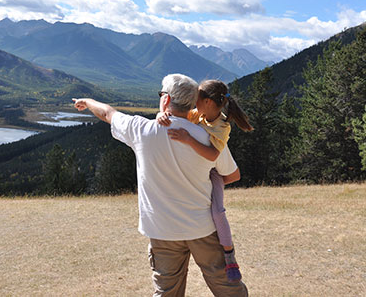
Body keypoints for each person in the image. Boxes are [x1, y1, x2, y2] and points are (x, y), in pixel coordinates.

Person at [73, 74, 248, 297]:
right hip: (202, 227)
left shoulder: (141, 130)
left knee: (167, 291)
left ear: (165, 99)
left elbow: (107, 113)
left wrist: (87, 101)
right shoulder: (208, 137)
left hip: (162, 229)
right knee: (228, 289)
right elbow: (233, 175)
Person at [156, 79, 253, 283]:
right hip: (197, 168)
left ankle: (229, 255)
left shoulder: (223, 125)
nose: (193, 101)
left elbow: (212, 156)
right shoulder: (197, 114)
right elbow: (175, 115)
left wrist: (188, 139)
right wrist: (161, 114)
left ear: (208, 102)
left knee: (217, 212)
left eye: (196, 98)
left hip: (213, 172)